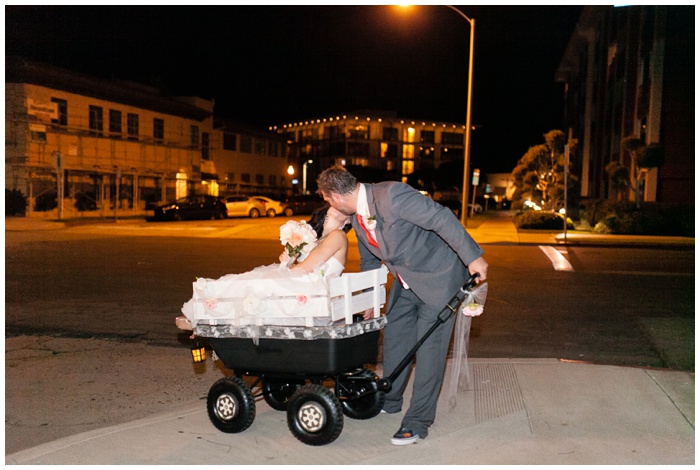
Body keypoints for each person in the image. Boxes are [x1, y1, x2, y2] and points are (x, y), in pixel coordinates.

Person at [316, 165, 488, 446]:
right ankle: (391, 399)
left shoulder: (392, 195)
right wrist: (371, 298)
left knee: (429, 352)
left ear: (335, 196)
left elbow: (441, 218)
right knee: (395, 339)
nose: (328, 206)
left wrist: (473, 257)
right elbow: (370, 261)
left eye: (326, 200)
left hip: (439, 279)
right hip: (406, 284)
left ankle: (418, 422)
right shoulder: (358, 220)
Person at [176, 205, 351, 331]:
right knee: (250, 280)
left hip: (312, 289)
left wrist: (280, 275)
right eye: (332, 207)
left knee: (257, 283)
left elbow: (306, 268)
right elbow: (301, 265)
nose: (334, 207)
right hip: (306, 285)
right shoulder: (319, 238)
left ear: (347, 220)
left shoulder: (338, 236)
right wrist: (290, 257)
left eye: (340, 210)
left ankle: (202, 316)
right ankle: (202, 315)